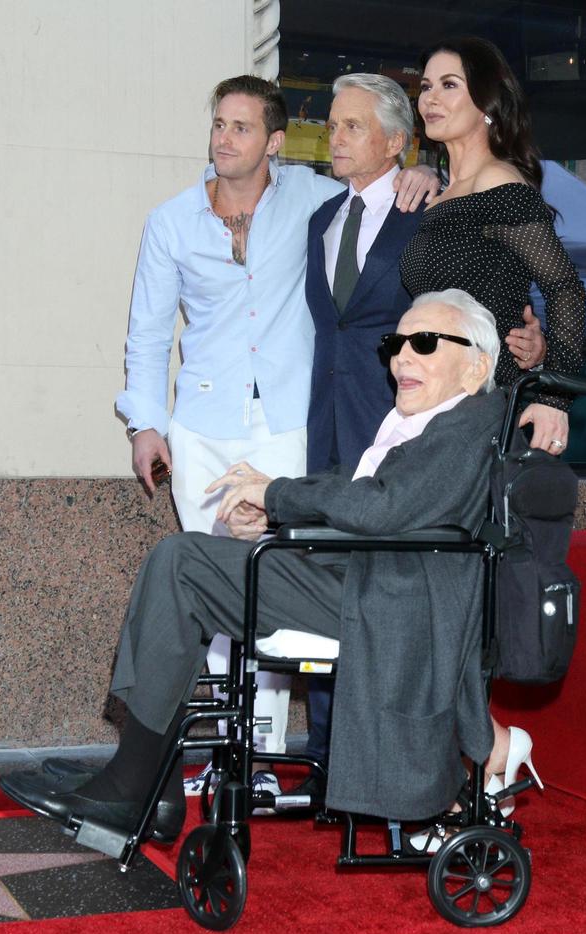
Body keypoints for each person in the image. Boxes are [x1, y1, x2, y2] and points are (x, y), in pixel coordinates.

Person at [0, 289, 514, 835]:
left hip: (388, 598)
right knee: (183, 563)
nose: (401, 357)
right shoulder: (428, 420)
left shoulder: (471, 421)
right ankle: (144, 777)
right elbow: (369, 497)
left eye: (424, 343)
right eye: (396, 342)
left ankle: (137, 784)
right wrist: (271, 519)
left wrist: (274, 496)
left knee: (183, 564)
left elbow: (382, 507)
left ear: (475, 365)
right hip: (364, 578)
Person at [113, 75, 438, 794]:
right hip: (201, 427)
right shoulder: (170, 221)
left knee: (270, 586)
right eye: (218, 124)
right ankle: (225, 755)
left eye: (240, 127)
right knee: (213, 588)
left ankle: (258, 757)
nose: (223, 138)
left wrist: (423, 170)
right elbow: (146, 333)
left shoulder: (315, 201)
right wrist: (146, 424)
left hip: (291, 424)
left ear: (274, 141)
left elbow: (380, 198)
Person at [302, 72, 547, 786]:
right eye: (333, 124)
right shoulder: (320, 217)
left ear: (394, 141)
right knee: (332, 582)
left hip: (407, 427)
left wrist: (525, 340)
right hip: (328, 425)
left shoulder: (429, 209)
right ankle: (329, 756)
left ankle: (409, 760)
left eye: (351, 127)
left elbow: (475, 299)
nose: (335, 138)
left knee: (401, 595)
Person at [401, 37, 586, 458]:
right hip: (437, 401)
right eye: (426, 86)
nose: (430, 98)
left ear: (486, 102)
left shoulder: (499, 184)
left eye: (449, 85)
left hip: (486, 405)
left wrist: (554, 399)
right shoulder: (443, 196)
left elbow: (565, 288)